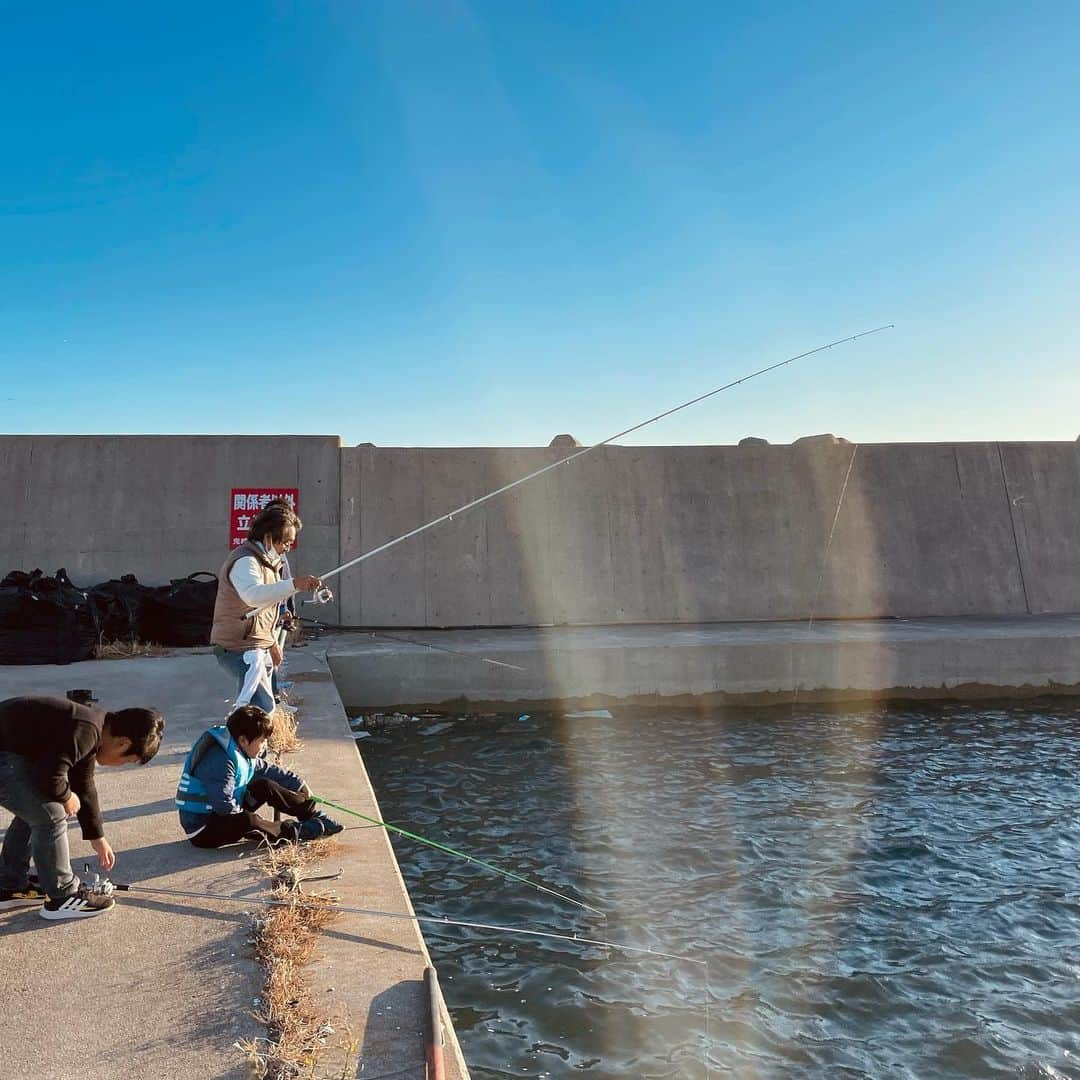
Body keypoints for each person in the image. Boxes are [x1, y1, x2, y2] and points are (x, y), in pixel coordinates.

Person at [0, 695, 164, 919]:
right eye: (126, 760)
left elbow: (84, 786)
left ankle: (10, 884)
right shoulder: (85, 731)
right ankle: (62, 897)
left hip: (10, 755)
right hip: (5, 759)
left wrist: (98, 836)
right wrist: (67, 796)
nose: (121, 765)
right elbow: (48, 778)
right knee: (51, 815)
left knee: (38, 808)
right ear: (123, 743)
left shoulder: (93, 727)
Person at [176, 705, 342, 848]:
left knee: (265, 785)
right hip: (204, 830)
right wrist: (259, 822)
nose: (264, 747)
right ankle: (290, 832)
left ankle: (311, 814)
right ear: (243, 740)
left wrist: (299, 784)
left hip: (222, 814)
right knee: (248, 820)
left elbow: (269, 770)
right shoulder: (221, 761)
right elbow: (223, 805)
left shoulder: (237, 749)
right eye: (262, 741)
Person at [210, 503, 321, 713]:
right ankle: (245, 742)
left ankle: (253, 740)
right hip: (237, 648)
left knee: (260, 705)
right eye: (286, 542)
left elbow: (265, 611)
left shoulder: (268, 562)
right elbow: (254, 596)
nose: (288, 547)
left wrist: (270, 643)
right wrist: (294, 584)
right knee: (261, 707)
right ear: (269, 537)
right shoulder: (245, 560)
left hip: (256, 645)